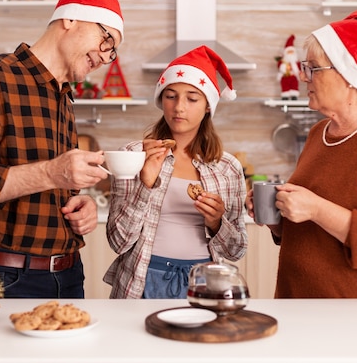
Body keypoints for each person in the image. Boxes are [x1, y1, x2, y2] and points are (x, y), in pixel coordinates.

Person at [0, 0, 123, 298]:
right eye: (106, 41)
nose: (106, 58)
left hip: (69, 275)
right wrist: (50, 173)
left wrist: (81, 204)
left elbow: (50, 190)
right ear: (70, 20)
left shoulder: (63, 97)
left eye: (112, 51)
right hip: (7, 278)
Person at [246, 11, 357, 315]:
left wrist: (316, 208)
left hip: (356, 319)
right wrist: (278, 218)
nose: (303, 77)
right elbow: (313, 232)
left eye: (313, 68)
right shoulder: (319, 133)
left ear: (348, 76)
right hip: (299, 309)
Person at [103, 46, 248, 299]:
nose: (179, 107)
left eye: (192, 98)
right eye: (170, 96)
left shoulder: (228, 168)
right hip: (142, 281)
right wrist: (145, 185)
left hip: (205, 284)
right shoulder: (134, 155)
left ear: (207, 106)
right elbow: (118, 242)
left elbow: (236, 250)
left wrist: (215, 223)